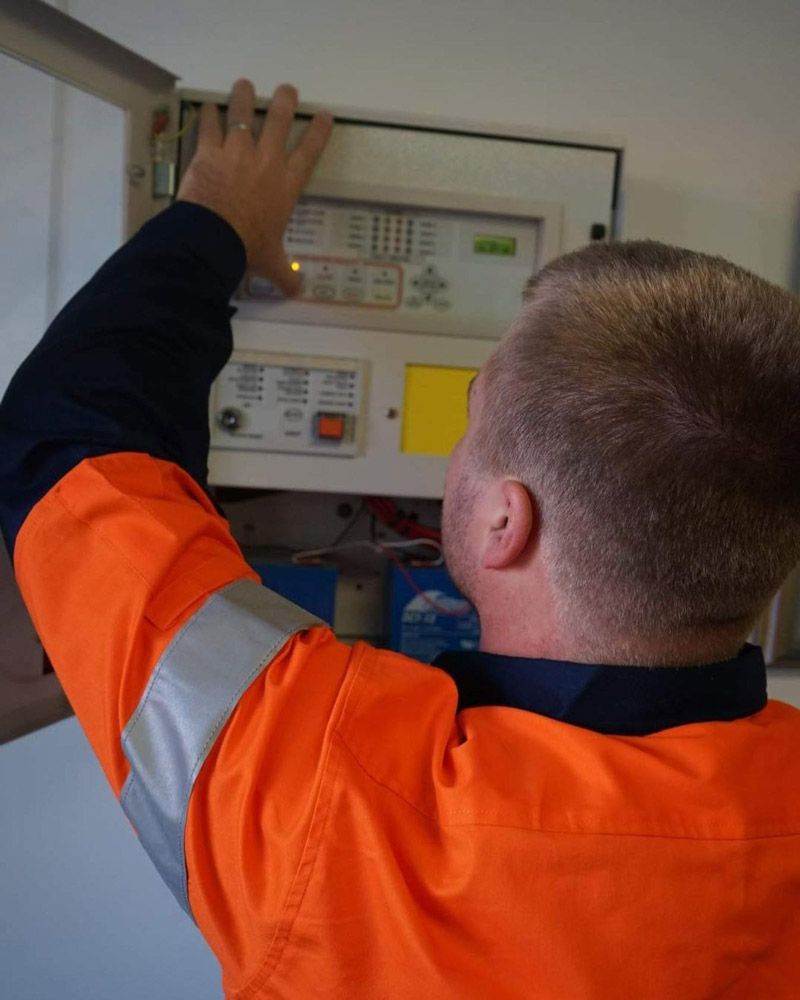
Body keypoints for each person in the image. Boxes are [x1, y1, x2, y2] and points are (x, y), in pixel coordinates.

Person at [1, 77, 800, 1000]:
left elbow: (74, 452)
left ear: (506, 521)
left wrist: (218, 216)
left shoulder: (323, 798)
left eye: (472, 422)